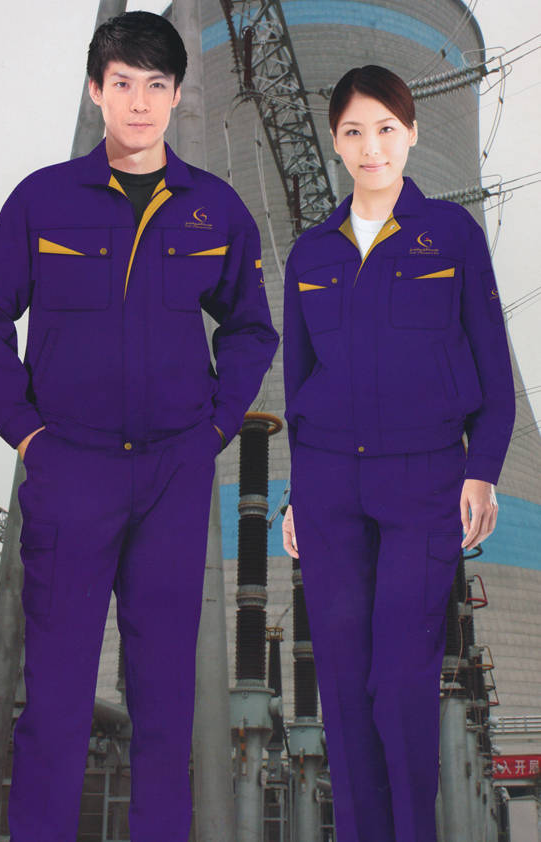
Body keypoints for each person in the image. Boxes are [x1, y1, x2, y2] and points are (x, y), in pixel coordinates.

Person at [0, 11, 278, 841]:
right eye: (123, 84)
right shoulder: (42, 201)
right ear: (97, 90)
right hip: (72, 469)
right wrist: (25, 430)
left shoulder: (213, 210)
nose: (139, 103)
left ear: (176, 96)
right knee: (56, 701)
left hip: (174, 473)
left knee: (166, 703)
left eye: (156, 86)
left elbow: (251, 328)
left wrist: (214, 427)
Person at [281, 65, 514, 842]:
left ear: (411, 132)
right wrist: (295, 492)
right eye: (353, 131)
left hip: (423, 480)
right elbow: (299, 383)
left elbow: (493, 372)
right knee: (343, 687)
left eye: (385, 128)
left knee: (401, 680)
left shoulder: (449, 237)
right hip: (327, 485)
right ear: (334, 141)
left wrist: (481, 469)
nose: (371, 146)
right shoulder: (311, 254)